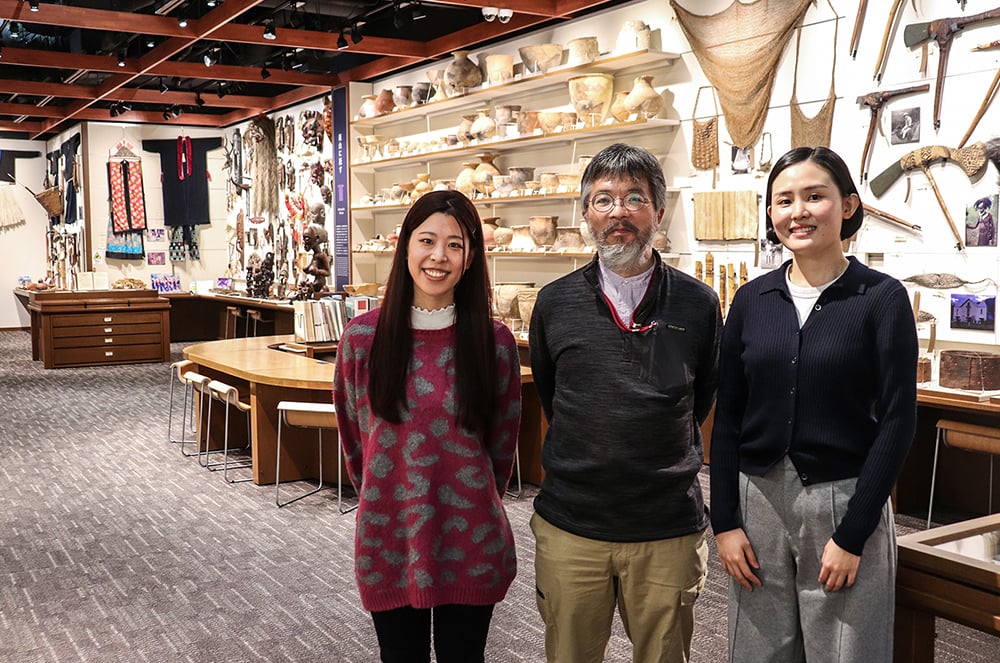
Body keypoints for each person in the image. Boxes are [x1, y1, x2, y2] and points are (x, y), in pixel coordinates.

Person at [710, 146, 918, 662]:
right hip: (757, 500)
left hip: (844, 499)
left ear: (847, 205)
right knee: (758, 651)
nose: (798, 211)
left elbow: (898, 420)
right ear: (771, 213)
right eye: (784, 200)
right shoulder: (751, 299)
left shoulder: (881, 298)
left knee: (846, 651)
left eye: (814, 196)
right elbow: (728, 413)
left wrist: (854, 534)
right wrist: (725, 522)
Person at [529, 143, 723, 663]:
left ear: (659, 212)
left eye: (635, 198)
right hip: (573, 526)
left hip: (666, 528)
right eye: (603, 199)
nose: (619, 212)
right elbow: (553, 397)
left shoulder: (698, 303)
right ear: (586, 214)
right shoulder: (554, 303)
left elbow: (700, 397)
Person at [333, 190, 522, 663]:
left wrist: (473, 498)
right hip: (389, 536)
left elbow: (502, 448)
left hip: (471, 539)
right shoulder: (362, 338)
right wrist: (384, 494)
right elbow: (355, 441)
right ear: (405, 247)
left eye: (455, 245)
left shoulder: (494, 342)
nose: (439, 256)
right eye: (427, 241)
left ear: (471, 257)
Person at [296, 222, 330, 299]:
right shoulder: (315, 256)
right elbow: (309, 268)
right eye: (304, 238)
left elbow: (328, 272)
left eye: (307, 238)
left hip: (321, 288)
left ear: (317, 238)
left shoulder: (321, 255)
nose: (304, 241)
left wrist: (317, 271)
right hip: (315, 286)